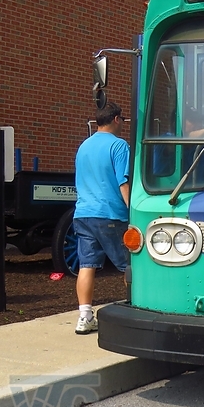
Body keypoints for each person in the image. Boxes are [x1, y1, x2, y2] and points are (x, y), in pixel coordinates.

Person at [73, 101, 130, 334]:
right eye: (123, 120)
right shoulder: (119, 146)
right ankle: (138, 310)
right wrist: (132, 210)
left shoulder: (83, 146)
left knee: (87, 265)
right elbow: (123, 181)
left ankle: (85, 317)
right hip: (110, 214)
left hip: (83, 213)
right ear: (116, 119)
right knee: (131, 265)